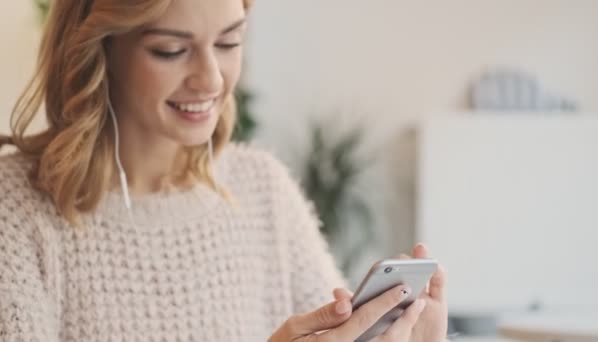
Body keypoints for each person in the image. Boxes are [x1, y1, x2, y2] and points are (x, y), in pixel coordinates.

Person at [0, 0, 448, 340]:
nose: (211, 78)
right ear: (97, 49)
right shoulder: (16, 207)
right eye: (171, 50)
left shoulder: (262, 189)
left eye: (229, 42)